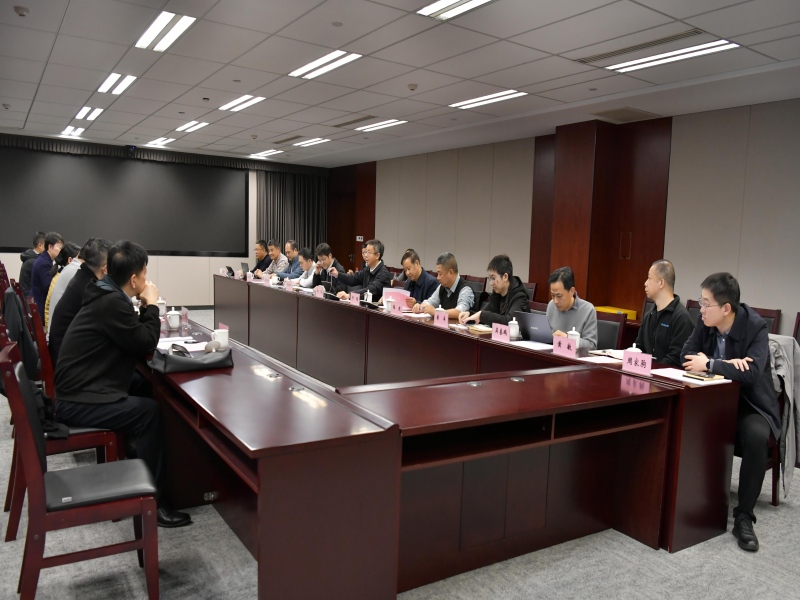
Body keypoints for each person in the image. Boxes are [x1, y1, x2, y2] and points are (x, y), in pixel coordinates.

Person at [53, 240, 191, 528]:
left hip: (81, 387)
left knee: (143, 384)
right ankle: (156, 503)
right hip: (77, 400)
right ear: (134, 279)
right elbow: (145, 341)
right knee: (149, 412)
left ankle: (137, 460)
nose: (147, 280)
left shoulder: (104, 293)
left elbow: (131, 338)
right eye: (145, 274)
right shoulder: (112, 303)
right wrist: (151, 304)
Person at [681, 273, 780, 553]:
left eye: (706, 303)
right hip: (716, 402)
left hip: (751, 405)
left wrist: (711, 363)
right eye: (700, 302)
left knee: (756, 436)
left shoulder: (755, 326)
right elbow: (685, 356)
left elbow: (751, 373)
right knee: (688, 421)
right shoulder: (705, 323)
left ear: (726, 308)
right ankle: (701, 500)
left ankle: (744, 517)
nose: (700, 309)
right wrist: (729, 364)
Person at [49, 238, 110, 366]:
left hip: (62, 351)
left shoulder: (81, 276)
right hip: (68, 362)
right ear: (105, 268)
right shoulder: (88, 286)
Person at [635, 259, 694, 367]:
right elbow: (639, 347)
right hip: (648, 373)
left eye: (649, 278)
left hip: (666, 375)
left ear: (661, 283)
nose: (645, 283)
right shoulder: (649, 315)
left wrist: (651, 369)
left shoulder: (681, 318)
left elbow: (676, 359)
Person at [459, 254, 529, 326]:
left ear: (505, 277)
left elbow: (509, 321)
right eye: (490, 278)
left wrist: (481, 315)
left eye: (493, 278)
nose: (491, 283)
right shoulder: (497, 294)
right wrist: (469, 314)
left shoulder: (520, 296)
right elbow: (484, 314)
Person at [546, 266, 597, 350]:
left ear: (571, 291)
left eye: (559, 296)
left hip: (575, 356)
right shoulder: (551, 305)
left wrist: (568, 339)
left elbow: (591, 345)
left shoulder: (588, 310)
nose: (555, 301)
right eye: (552, 295)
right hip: (552, 354)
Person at [412, 252, 474, 319]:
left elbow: (460, 312)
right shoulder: (442, 287)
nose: (438, 278)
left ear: (450, 272)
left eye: (440, 274)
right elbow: (431, 302)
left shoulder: (465, 289)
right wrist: (420, 307)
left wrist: (436, 312)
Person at [44, 242, 80, 331]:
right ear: (70, 260)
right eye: (79, 259)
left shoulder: (59, 274)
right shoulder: (67, 277)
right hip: (54, 330)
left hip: (53, 327)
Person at [30, 231, 63, 315]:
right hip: (40, 308)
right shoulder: (43, 263)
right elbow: (49, 288)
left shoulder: (45, 259)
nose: (61, 250)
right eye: (59, 247)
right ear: (50, 247)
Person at [19, 231, 46, 298]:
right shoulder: (34, 262)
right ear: (40, 245)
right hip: (30, 299)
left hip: (27, 296)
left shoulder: (30, 257)